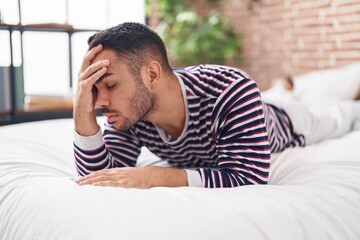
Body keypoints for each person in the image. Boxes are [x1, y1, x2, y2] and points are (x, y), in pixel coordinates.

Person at [73, 22, 360, 188]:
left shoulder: (229, 87)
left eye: (110, 85)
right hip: (255, 106)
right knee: (280, 93)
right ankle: (286, 87)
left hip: (287, 121)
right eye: (94, 90)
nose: (101, 102)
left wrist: (151, 176)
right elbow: (99, 178)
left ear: (151, 74)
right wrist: (81, 110)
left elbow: (247, 178)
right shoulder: (129, 113)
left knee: (341, 114)